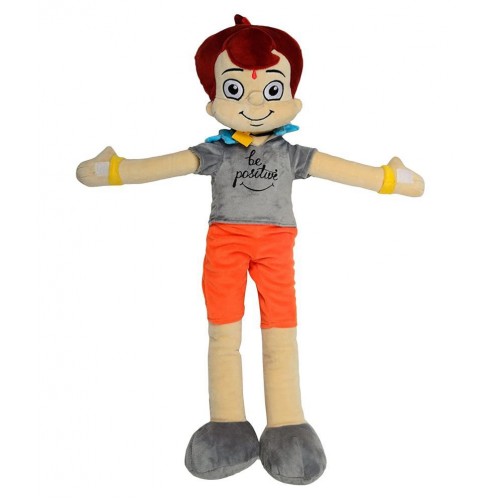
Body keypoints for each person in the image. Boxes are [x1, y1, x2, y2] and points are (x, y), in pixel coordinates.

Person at [77, 15, 424, 485]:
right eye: (237, 89)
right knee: (224, 334)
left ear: (291, 95)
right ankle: (228, 423)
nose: (256, 103)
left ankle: (287, 425)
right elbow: (165, 165)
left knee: (281, 334)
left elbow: (341, 169)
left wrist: (386, 179)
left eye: (271, 89)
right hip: (225, 246)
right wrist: (116, 171)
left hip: (277, 248)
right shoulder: (216, 152)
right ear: (215, 98)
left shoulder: (290, 154)